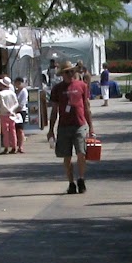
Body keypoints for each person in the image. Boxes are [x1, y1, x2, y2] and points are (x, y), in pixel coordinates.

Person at [47, 63, 92, 194]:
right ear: (62, 74)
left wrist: (91, 127)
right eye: (67, 72)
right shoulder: (57, 89)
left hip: (80, 124)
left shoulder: (82, 85)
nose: (70, 74)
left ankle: (81, 178)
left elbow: (87, 107)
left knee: (81, 153)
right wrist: (51, 130)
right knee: (66, 156)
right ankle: (71, 182)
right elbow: (54, 111)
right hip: (64, 126)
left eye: (72, 71)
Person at [0, 76, 21, 155]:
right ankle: (14, 147)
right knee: (12, 130)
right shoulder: (12, 93)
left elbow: (2, 105)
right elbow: (16, 103)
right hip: (12, 114)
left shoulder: (1, 93)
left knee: (5, 131)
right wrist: (12, 110)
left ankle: (6, 147)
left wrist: (8, 110)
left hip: (4, 113)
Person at [12, 77, 29, 152]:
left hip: (21, 111)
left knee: (20, 129)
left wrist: (15, 110)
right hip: (14, 111)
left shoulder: (24, 91)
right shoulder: (15, 91)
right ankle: (15, 146)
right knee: (14, 129)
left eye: (19, 83)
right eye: (16, 83)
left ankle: (21, 146)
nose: (17, 85)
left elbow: (22, 104)